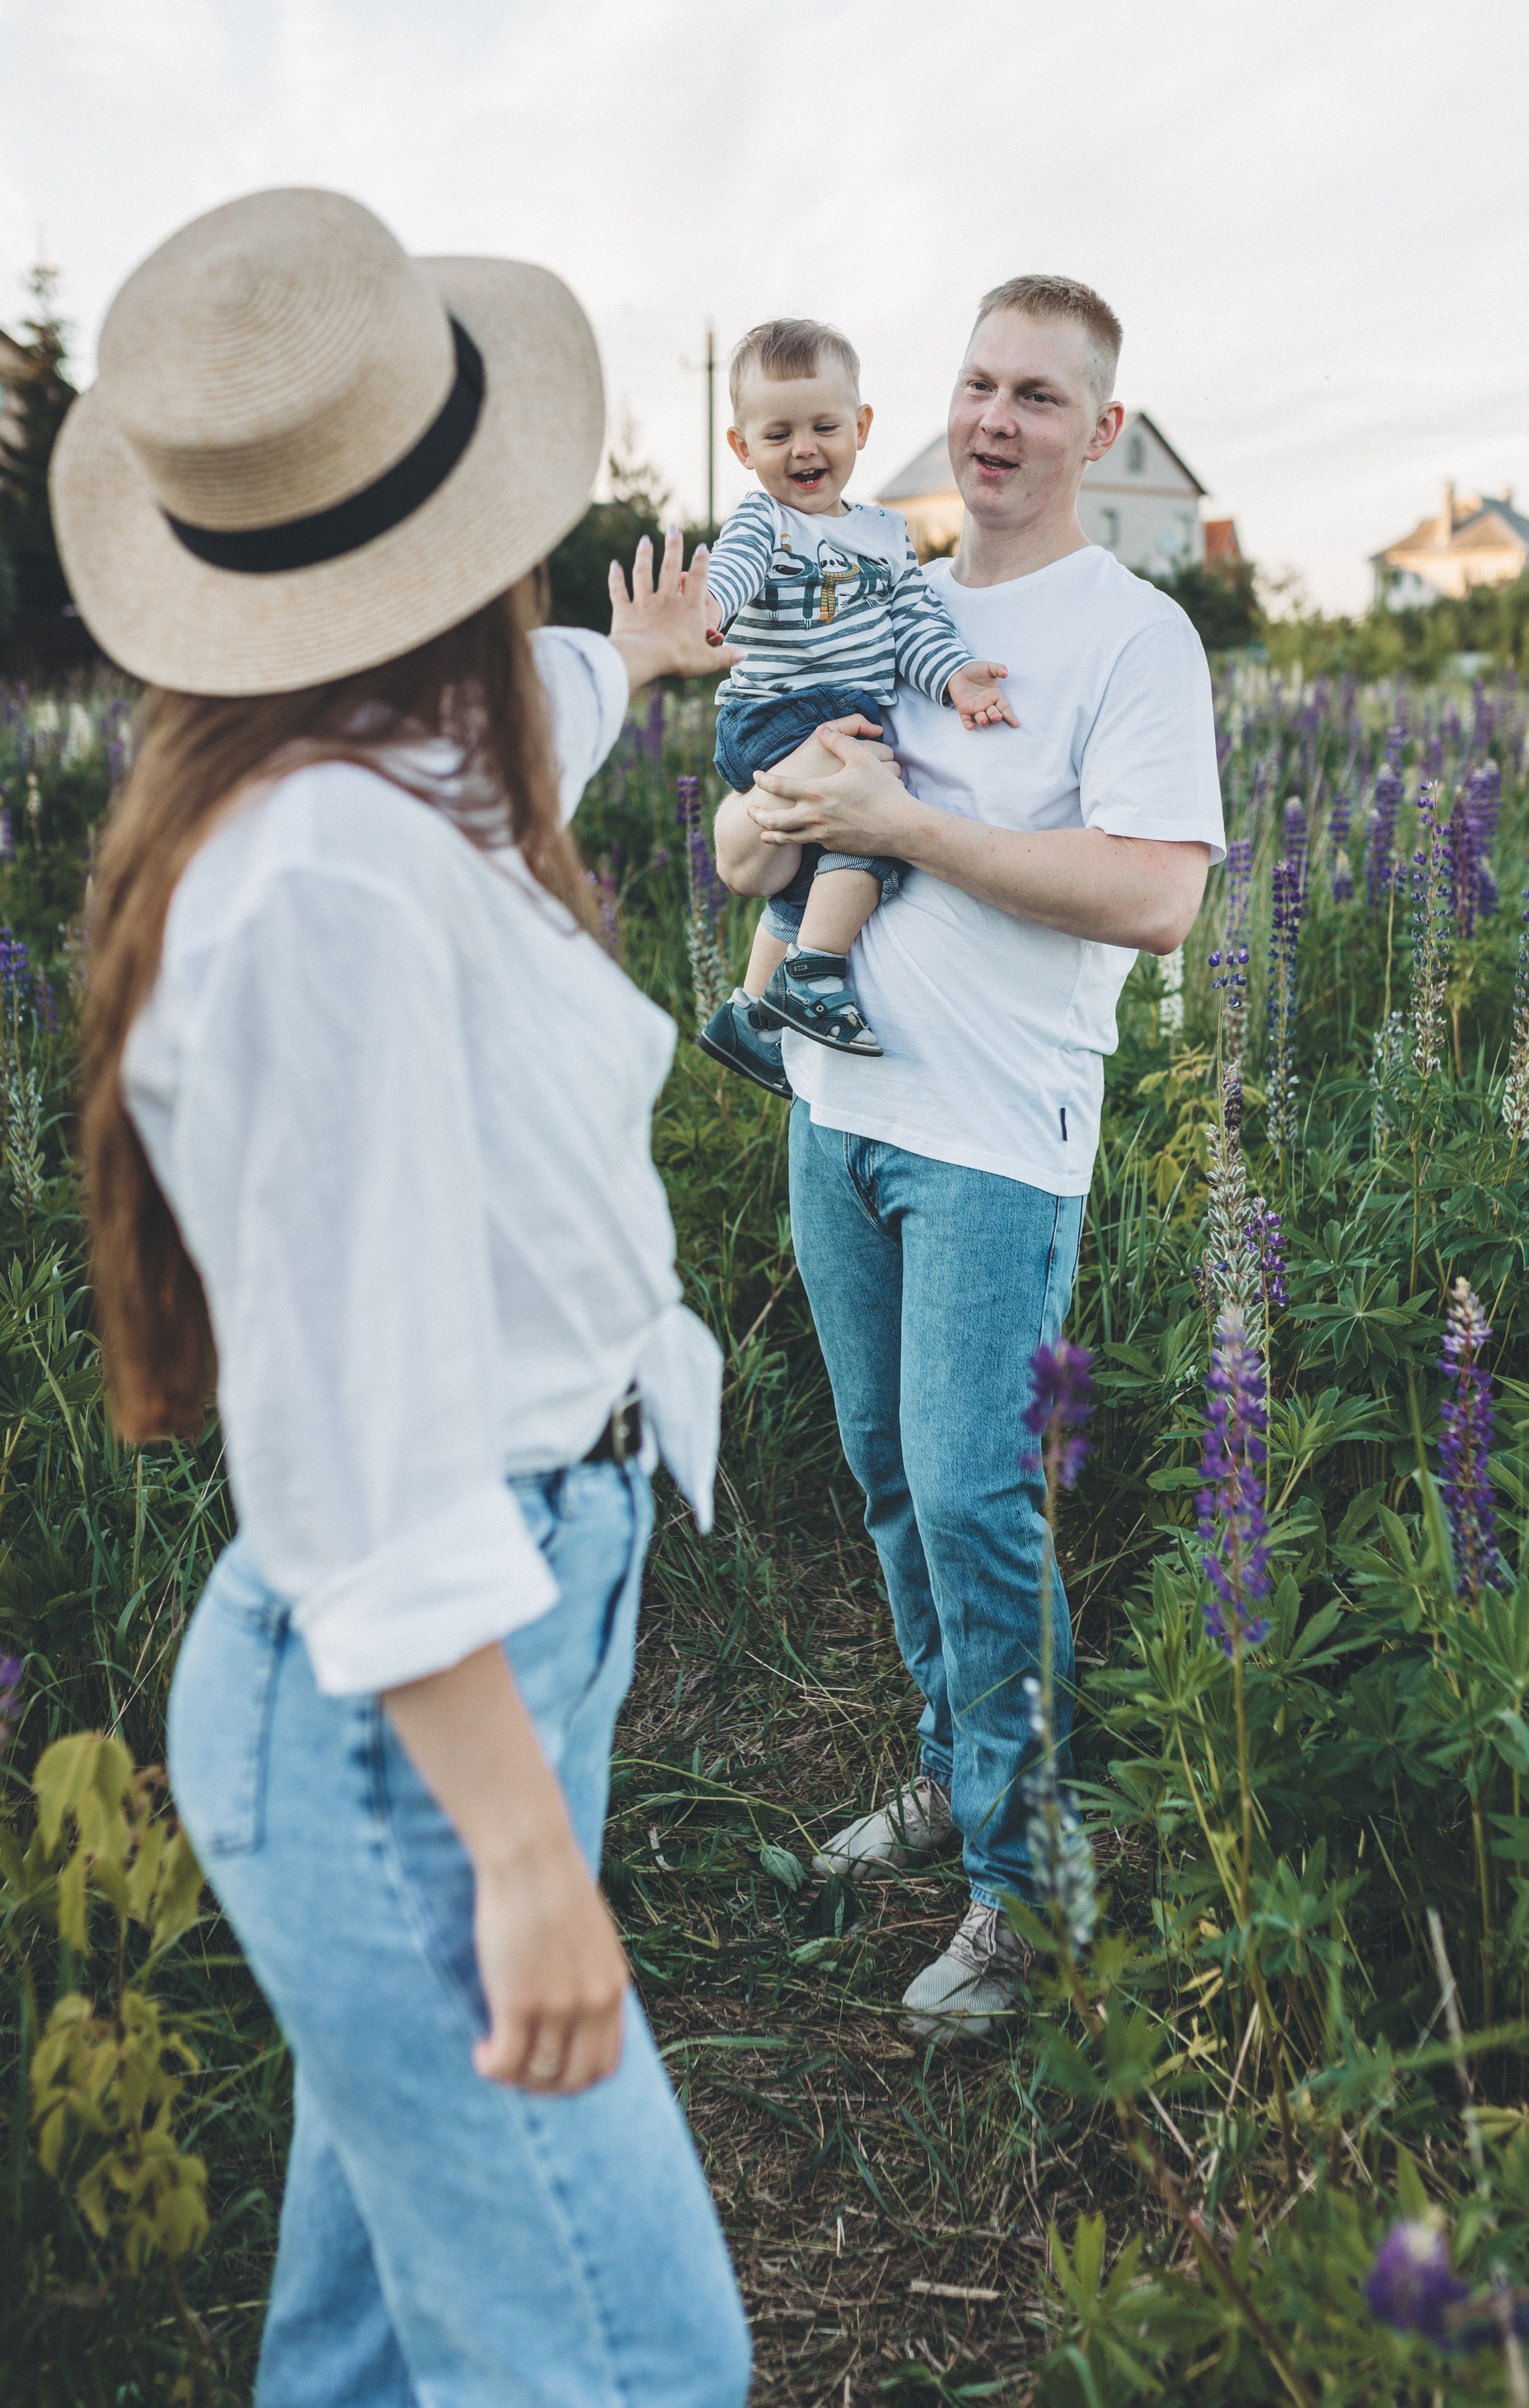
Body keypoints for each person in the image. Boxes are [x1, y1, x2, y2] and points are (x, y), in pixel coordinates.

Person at [55, 187, 751, 2407]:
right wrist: (522, 1857)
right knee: (633, 2361)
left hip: (493, 1633)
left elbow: (536, 707)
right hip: (406, 1711)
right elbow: (355, 1439)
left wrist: (636, 666)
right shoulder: (320, 881)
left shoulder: (380, 764)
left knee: (368, 2339)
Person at [714, 275, 1225, 2043]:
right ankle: (956, 1771)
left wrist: (901, 826)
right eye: (978, 383)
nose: (997, 420)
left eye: (1039, 395)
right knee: (883, 1476)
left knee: (972, 1501)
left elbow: (1156, 897)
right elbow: (747, 847)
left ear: (1102, 428)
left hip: (995, 1142)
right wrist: (771, 807)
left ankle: (1026, 1888)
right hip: (835, 1112)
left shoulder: (1134, 636)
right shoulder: (879, 587)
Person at [695, 316, 1015, 1094]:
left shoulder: (885, 534)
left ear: (861, 428)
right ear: (742, 447)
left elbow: (914, 622)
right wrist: (702, 611)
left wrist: (954, 678)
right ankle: (813, 970)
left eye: (824, 427)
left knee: (817, 863)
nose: (803, 449)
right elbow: (731, 574)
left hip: (837, 712)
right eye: (778, 434)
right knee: (875, 812)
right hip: (773, 711)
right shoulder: (764, 521)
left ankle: (751, 1016)